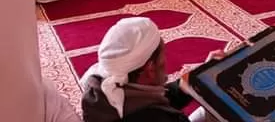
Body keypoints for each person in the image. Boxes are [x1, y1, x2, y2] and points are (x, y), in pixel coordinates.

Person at [81, 17, 218, 122]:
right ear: (150, 68)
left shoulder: (98, 89)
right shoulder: (158, 117)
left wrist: (197, 76)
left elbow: (158, 97)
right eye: (163, 56)